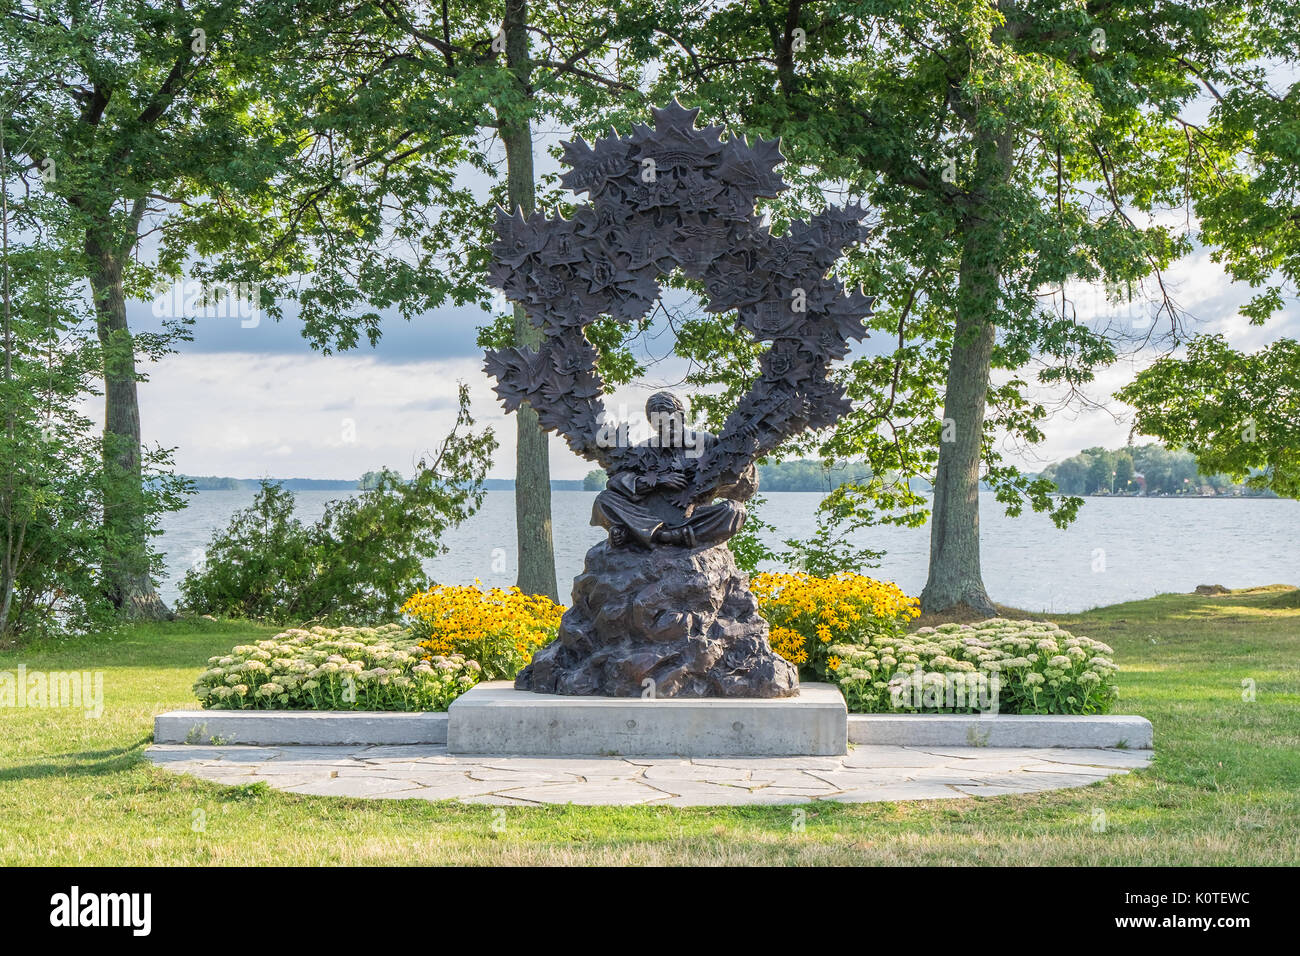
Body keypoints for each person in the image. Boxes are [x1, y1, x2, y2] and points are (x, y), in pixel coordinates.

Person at [592, 391, 755, 548]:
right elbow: (617, 483)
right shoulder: (645, 448)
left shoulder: (707, 443)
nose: (666, 430)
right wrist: (657, 482)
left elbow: (744, 491)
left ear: (682, 417)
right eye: (659, 426)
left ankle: (649, 535)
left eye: (670, 423)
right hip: (652, 517)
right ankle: (654, 533)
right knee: (604, 499)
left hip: (694, 518)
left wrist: (743, 457)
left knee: (735, 510)